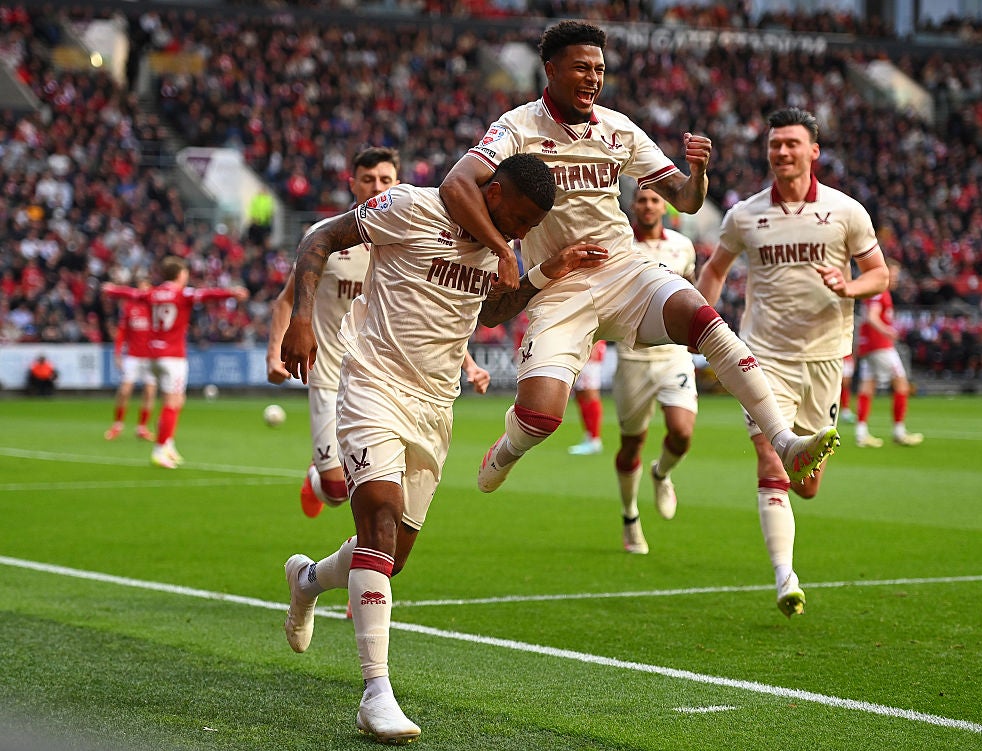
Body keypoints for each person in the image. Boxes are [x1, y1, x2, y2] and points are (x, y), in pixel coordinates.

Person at [437, 20, 838, 511]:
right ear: (550, 69)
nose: (593, 78)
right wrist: (502, 249)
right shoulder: (517, 127)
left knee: (705, 320)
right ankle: (506, 450)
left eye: (600, 70)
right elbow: (456, 184)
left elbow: (686, 201)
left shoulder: (618, 128)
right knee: (540, 419)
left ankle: (785, 442)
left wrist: (700, 173)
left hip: (624, 270)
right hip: (557, 287)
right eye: (581, 68)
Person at [278, 153, 608, 745]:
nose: (523, 232)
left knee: (390, 556)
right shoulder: (411, 206)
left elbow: (488, 310)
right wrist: (300, 319)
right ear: (497, 191)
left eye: (533, 227)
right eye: (523, 218)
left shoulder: (496, 249)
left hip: (435, 406)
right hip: (373, 384)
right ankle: (375, 691)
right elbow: (321, 238)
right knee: (377, 515)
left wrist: (544, 270)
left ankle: (307, 579)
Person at [696, 107, 890, 617]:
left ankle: (801, 477)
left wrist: (850, 286)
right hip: (763, 358)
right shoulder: (745, 214)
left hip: (826, 358)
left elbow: (880, 275)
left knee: (806, 485)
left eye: (792, 144)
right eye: (775, 143)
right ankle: (786, 577)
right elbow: (714, 271)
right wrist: (698, 319)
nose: (782, 152)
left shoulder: (847, 211)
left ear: (813, 151)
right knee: (769, 457)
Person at [267, 147, 492, 519]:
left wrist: (468, 364)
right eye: (368, 180)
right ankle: (317, 475)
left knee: (385, 493)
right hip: (328, 370)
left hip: (380, 375)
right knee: (336, 490)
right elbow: (284, 301)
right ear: (352, 183)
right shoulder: (327, 237)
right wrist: (274, 350)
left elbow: (428, 313)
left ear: (398, 184)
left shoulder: (407, 236)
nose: (376, 187)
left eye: (385, 180)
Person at [613, 187, 700, 555]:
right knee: (631, 443)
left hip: (673, 357)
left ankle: (661, 473)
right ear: (634, 205)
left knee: (681, 432)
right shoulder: (618, 244)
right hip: (633, 358)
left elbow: (690, 289)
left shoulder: (683, 246)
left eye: (654, 200)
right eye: (643, 200)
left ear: (663, 206)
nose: (648, 206)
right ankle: (630, 517)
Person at [103, 256, 249, 468]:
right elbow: (208, 294)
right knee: (172, 402)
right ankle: (159, 449)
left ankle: (168, 444)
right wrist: (233, 292)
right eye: (185, 273)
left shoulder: (152, 293)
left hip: (153, 355)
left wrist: (110, 289)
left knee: (177, 399)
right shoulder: (183, 293)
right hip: (173, 356)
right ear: (180, 274)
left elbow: (130, 293)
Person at [854, 258, 924, 448]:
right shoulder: (880, 292)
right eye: (892, 275)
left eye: (897, 276)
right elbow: (871, 317)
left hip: (869, 345)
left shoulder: (875, 291)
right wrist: (888, 331)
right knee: (901, 384)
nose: (895, 279)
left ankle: (861, 433)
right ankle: (899, 432)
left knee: (867, 386)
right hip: (880, 346)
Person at [105, 278, 157, 441]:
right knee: (125, 390)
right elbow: (122, 332)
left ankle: (142, 427)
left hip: (151, 357)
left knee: (149, 392)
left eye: (146, 288)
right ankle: (117, 425)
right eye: (140, 288)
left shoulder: (155, 309)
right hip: (133, 356)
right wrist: (118, 353)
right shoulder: (130, 308)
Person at [567, 340, 605, 455]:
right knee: (580, 393)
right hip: (579, 345)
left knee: (589, 392)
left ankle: (594, 440)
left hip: (589, 345)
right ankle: (590, 436)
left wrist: (594, 342)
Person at [838, 353, 856, 423]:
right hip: (840, 356)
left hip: (848, 356)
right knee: (841, 384)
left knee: (846, 385)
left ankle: (845, 411)